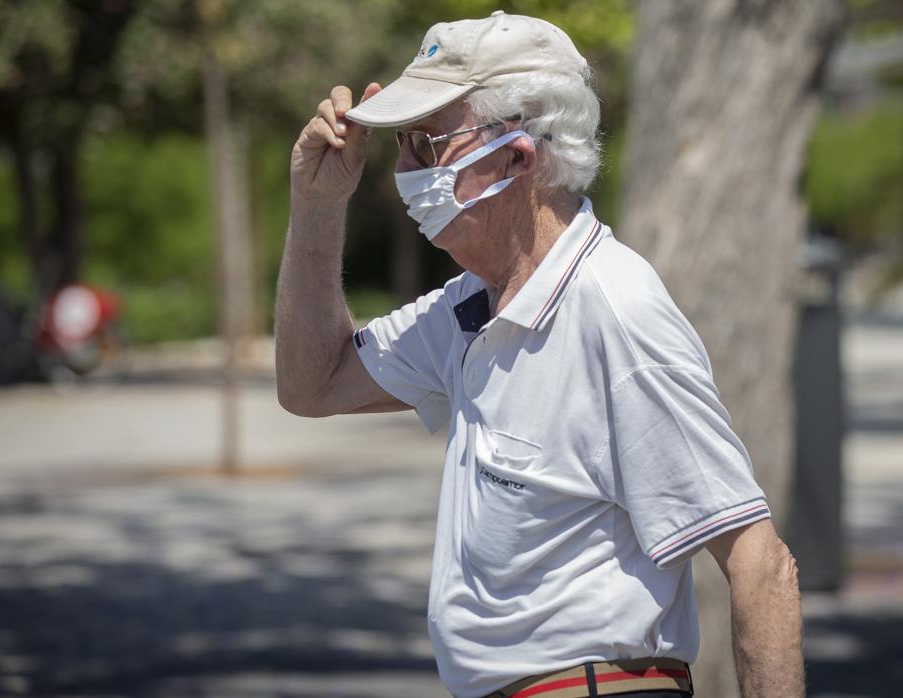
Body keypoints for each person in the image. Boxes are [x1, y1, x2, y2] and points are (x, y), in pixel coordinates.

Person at [275, 10, 803, 698]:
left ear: (518, 157)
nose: (403, 171)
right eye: (403, 143)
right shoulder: (472, 303)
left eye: (426, 145)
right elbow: (312, 384)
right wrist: (317, 204)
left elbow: (761, 565)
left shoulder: (614, 308)